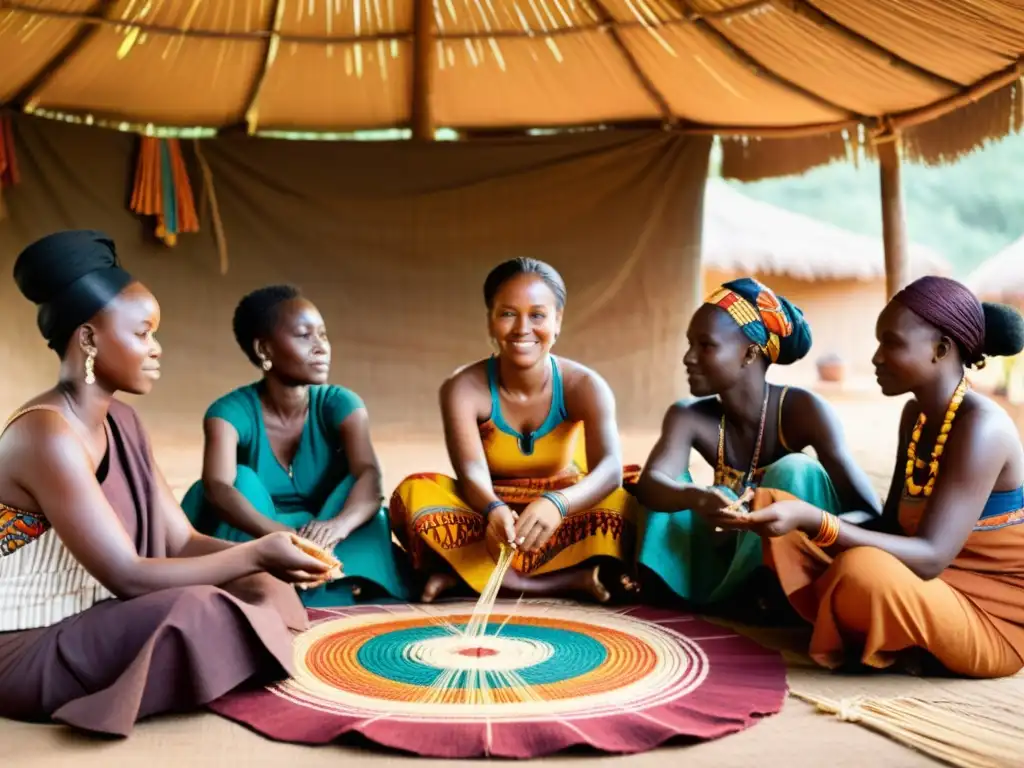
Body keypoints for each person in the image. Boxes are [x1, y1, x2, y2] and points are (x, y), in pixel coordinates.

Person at [0, 230, 337, 736]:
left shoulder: (124, 423)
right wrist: (258, 552)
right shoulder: (45, 433)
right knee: (200, 608)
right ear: (89, 339)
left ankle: (217, 653)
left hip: (101, 614)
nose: (156, 350)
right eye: (142, 334)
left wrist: (268, 558)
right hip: (29, 643)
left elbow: (179, 541)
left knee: (256, 588)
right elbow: (128, 576)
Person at [722, 276, 1024, 678]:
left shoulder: (982, 427)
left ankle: (888, 635)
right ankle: (891, 637)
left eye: (892, 343)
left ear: (941, 349)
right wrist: (798, 520)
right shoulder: (915, 417)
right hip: (923, 587)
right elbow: (890, 526)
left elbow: (931, 556)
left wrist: (818, 522)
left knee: (861, 572)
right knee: (779, 509)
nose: (876, 357)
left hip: (991, 620)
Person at [390, 258, 640, 603]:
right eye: (508, 313)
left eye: (537, 315)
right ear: (490, 322)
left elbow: (610, 469)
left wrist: (558, 504)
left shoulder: (584, 385)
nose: (523, 328)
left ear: (558, 321)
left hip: (560, 513)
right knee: (413, 495)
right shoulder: (463, 387)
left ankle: (467, 577)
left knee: (627, 501)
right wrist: (493, 510)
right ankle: (564, 582)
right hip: (488, 516)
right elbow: (472, 470)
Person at [635, 277, 880, 611]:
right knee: (662, 485)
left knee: (794, 470)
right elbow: (652, 486)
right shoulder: (689, 417)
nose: (688, 358)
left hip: (796, 559)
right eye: (689, 344)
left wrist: (803, 517)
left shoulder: (803, 411)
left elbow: (868, 513)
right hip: (726, 555)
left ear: (750, 353)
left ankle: (775, 592)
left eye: (705, 345)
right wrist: (694, 497)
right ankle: (706, 593)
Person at [181, 286, 410, 607]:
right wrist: (279, 538)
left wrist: (335, 528)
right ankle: (271, 579)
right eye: (305, 336)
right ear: (264, 349)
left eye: (323, 335)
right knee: (241, 479)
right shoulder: (228, 413)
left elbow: (369, 475)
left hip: (328, 533)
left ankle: (334, 577)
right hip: (257, 531)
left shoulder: (341, 404)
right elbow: (218, 487)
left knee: (357, 487)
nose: (321, 348)